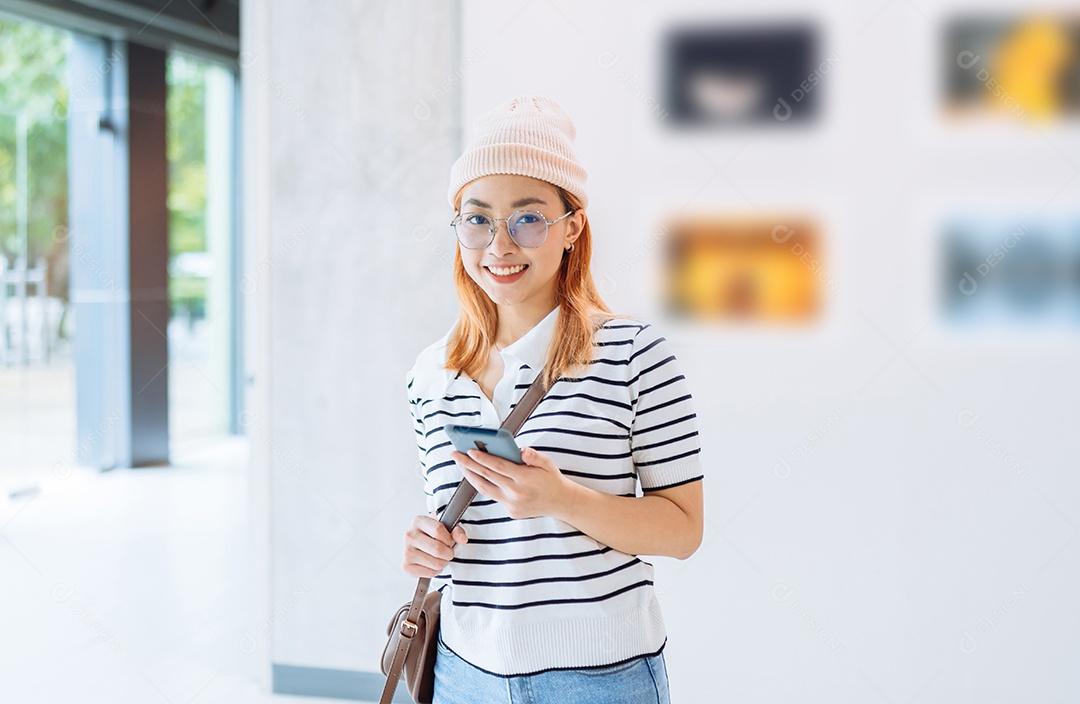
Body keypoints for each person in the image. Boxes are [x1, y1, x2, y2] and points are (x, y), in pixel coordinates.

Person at [402, 95, 704, 704]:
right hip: (463, 672)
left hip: (600, 677)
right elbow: (463, 525)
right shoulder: (429, 373)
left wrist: (561, 498)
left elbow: (682, 530)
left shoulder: (633, 353)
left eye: (528, 218)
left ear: (572, 227)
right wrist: (426, 544)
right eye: (477, 218)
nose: (499, 244)